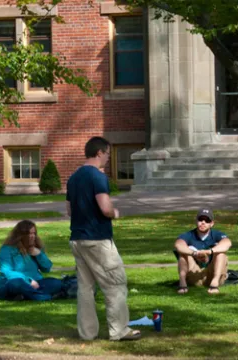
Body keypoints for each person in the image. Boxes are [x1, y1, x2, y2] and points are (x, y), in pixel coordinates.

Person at [66, 136, 140, 341]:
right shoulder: (98, 177)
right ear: (99, 153)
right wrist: (115, 213)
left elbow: (69, 209)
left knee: (85, 288)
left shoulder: (73, 178)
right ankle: (119, 330)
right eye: (107, 154)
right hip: (97, 239)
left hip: (77, 239)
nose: (108, 158)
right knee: (115, 283)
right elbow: (105, 208)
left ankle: (87, 333)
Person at [0, 220, 65, 301]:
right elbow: (6, 271)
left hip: (36, 283)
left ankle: (24, 296)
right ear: (20, 235)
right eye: (28, 234)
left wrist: (39, 255)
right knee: (17, 284)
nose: (32, 236)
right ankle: (44, 297)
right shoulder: (7, 249)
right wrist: (28, 280)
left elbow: (47, 268)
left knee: (56, 283)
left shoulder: (35, 247)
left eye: (34, 233)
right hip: (14, 283)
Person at [174, 209, 232, 294]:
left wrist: (210, 251)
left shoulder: (217, 234)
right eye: (200, 219)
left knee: (221, 253)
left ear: (212, 223)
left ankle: (214, 284)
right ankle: (182, 284)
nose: (203, 222)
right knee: (183, 254)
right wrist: (194, 253)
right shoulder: (189, 235)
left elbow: (227, 243)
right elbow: (178, 245)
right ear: (196, 221)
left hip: (212, 274)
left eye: (207, 220)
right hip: (195, 276)